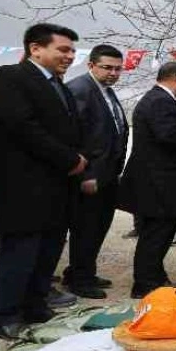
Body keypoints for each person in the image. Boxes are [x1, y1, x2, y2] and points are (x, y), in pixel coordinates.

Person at [0, 23, 87, 339]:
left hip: (57, 188)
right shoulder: (7, 77)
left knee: (47, 251)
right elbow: (23, 127)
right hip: (23, 187)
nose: (70, 56)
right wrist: (70, 159)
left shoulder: (59, 86)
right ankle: (3, 317)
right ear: (35, 48)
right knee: (19, 254)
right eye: (63, 49)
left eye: (72, 50)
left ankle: (35, 305)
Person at [118, 62, 176, 299]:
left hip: (159, 183)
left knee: (160, 234)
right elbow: (168, 135)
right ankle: (145, 284)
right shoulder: (159, 101)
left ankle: (155, 277)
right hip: (158, 184)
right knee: (155, 235)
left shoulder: (157, 100)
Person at [61, 45, 128, 299]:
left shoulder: (105, 92)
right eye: (107, 67)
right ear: (91, 65)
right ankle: (80, 279)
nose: (113, 73)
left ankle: (81, 271)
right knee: (86, 228)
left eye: (118, 68)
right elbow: (74, 138)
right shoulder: (80, 90)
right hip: (89, 176)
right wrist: (85, 175)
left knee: (97, 227)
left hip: (107, 176)